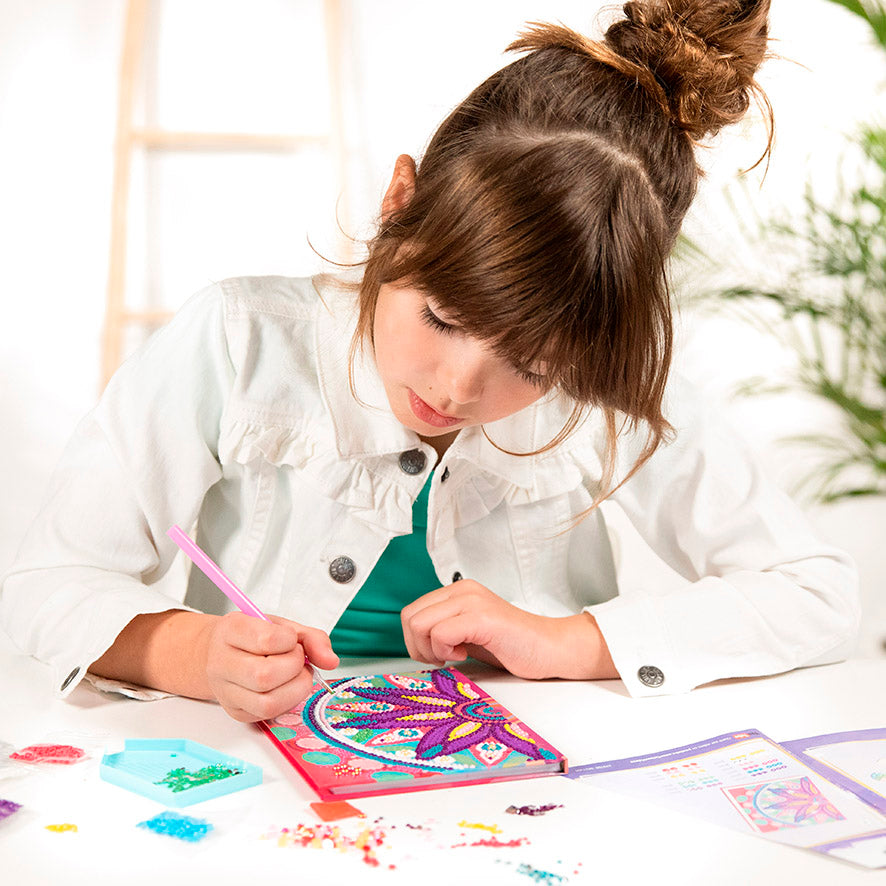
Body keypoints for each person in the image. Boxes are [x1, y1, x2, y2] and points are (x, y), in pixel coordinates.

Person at [0, 0, 859, 724]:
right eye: (442, 317)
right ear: (399, 203)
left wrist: (567, 641)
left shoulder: (608, 389)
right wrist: (189, 651)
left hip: (534, 794)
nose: (458, 387)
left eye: (533, 361)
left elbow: (815, 594)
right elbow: (46, 581)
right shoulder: (239, 340)